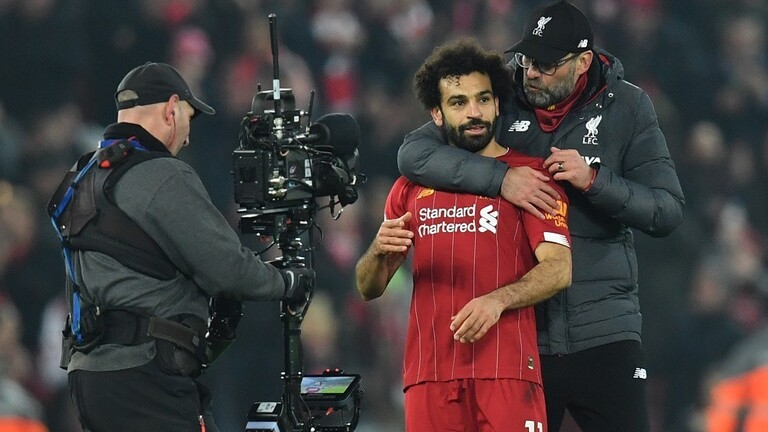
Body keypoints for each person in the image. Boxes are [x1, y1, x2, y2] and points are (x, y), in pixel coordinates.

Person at [397, 1, 685, 431]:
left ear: (582, 62)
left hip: (604, 329)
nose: (530, 72)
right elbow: (414, 153)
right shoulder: (502, 95)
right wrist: (502, 179)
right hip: (523, 335)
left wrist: (594, 180)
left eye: (546, 65)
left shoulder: (628, 106)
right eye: (527, 59)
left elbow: (667, 210)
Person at [46, 62, 313, 432]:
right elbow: (228, 269)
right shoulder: (161, 174)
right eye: (189, 117)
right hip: (145, 374)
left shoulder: (83, 174)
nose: (187, 138)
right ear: (171, 108)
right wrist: (287, 282)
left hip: (88, 376)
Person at [356, 39, 572, 431]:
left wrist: (497, 301)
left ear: (497, 104)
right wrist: (376, 251)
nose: (474, 112)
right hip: (429, 374)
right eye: (458, 102)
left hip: (506, 369)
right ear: (436, 114)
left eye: (483, 99)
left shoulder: (530, 177)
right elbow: (368, 287)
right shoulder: (409, 188)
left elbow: (559, 269)